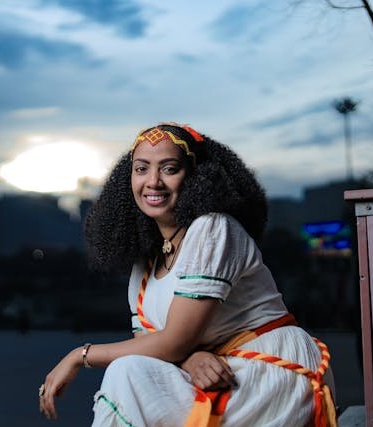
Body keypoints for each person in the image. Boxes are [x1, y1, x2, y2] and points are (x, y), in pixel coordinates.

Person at [39, 123, 336, 427]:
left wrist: (80, 355)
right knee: (130, 370)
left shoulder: (213, 229)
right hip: (212, 370)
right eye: (141, 169)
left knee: (124, 372)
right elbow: (153, 344)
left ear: (196, 178)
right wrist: (188, 359)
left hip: (267, 370)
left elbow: (174, 341)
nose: (153, 182)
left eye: (169, 169)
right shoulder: (145, 265)